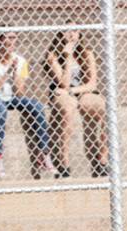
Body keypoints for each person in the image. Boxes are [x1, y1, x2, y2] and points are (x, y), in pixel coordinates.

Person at [0, 30, 56, 179]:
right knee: (0, 109)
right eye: (8, 37)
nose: (11, 42)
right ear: (0, 39)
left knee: (37, 106)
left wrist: (14, 72)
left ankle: (44, 154)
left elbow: (19, 92)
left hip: (11, 97)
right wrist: (6, 74)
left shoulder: (20, 60)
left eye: (14, 38)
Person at [44, 27, 109, 178]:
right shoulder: (53, 55)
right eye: (67, 31)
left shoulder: (87, 53)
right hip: (62, 92)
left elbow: (92, 84)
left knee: (105, 107)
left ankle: (103, 160)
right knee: (68, 108)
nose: (71, 34)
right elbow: (64, 83)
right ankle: (64, 161)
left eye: (75, 30)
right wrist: (67, 56)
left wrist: (73, 91)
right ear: (61, 34)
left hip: (81, 90)